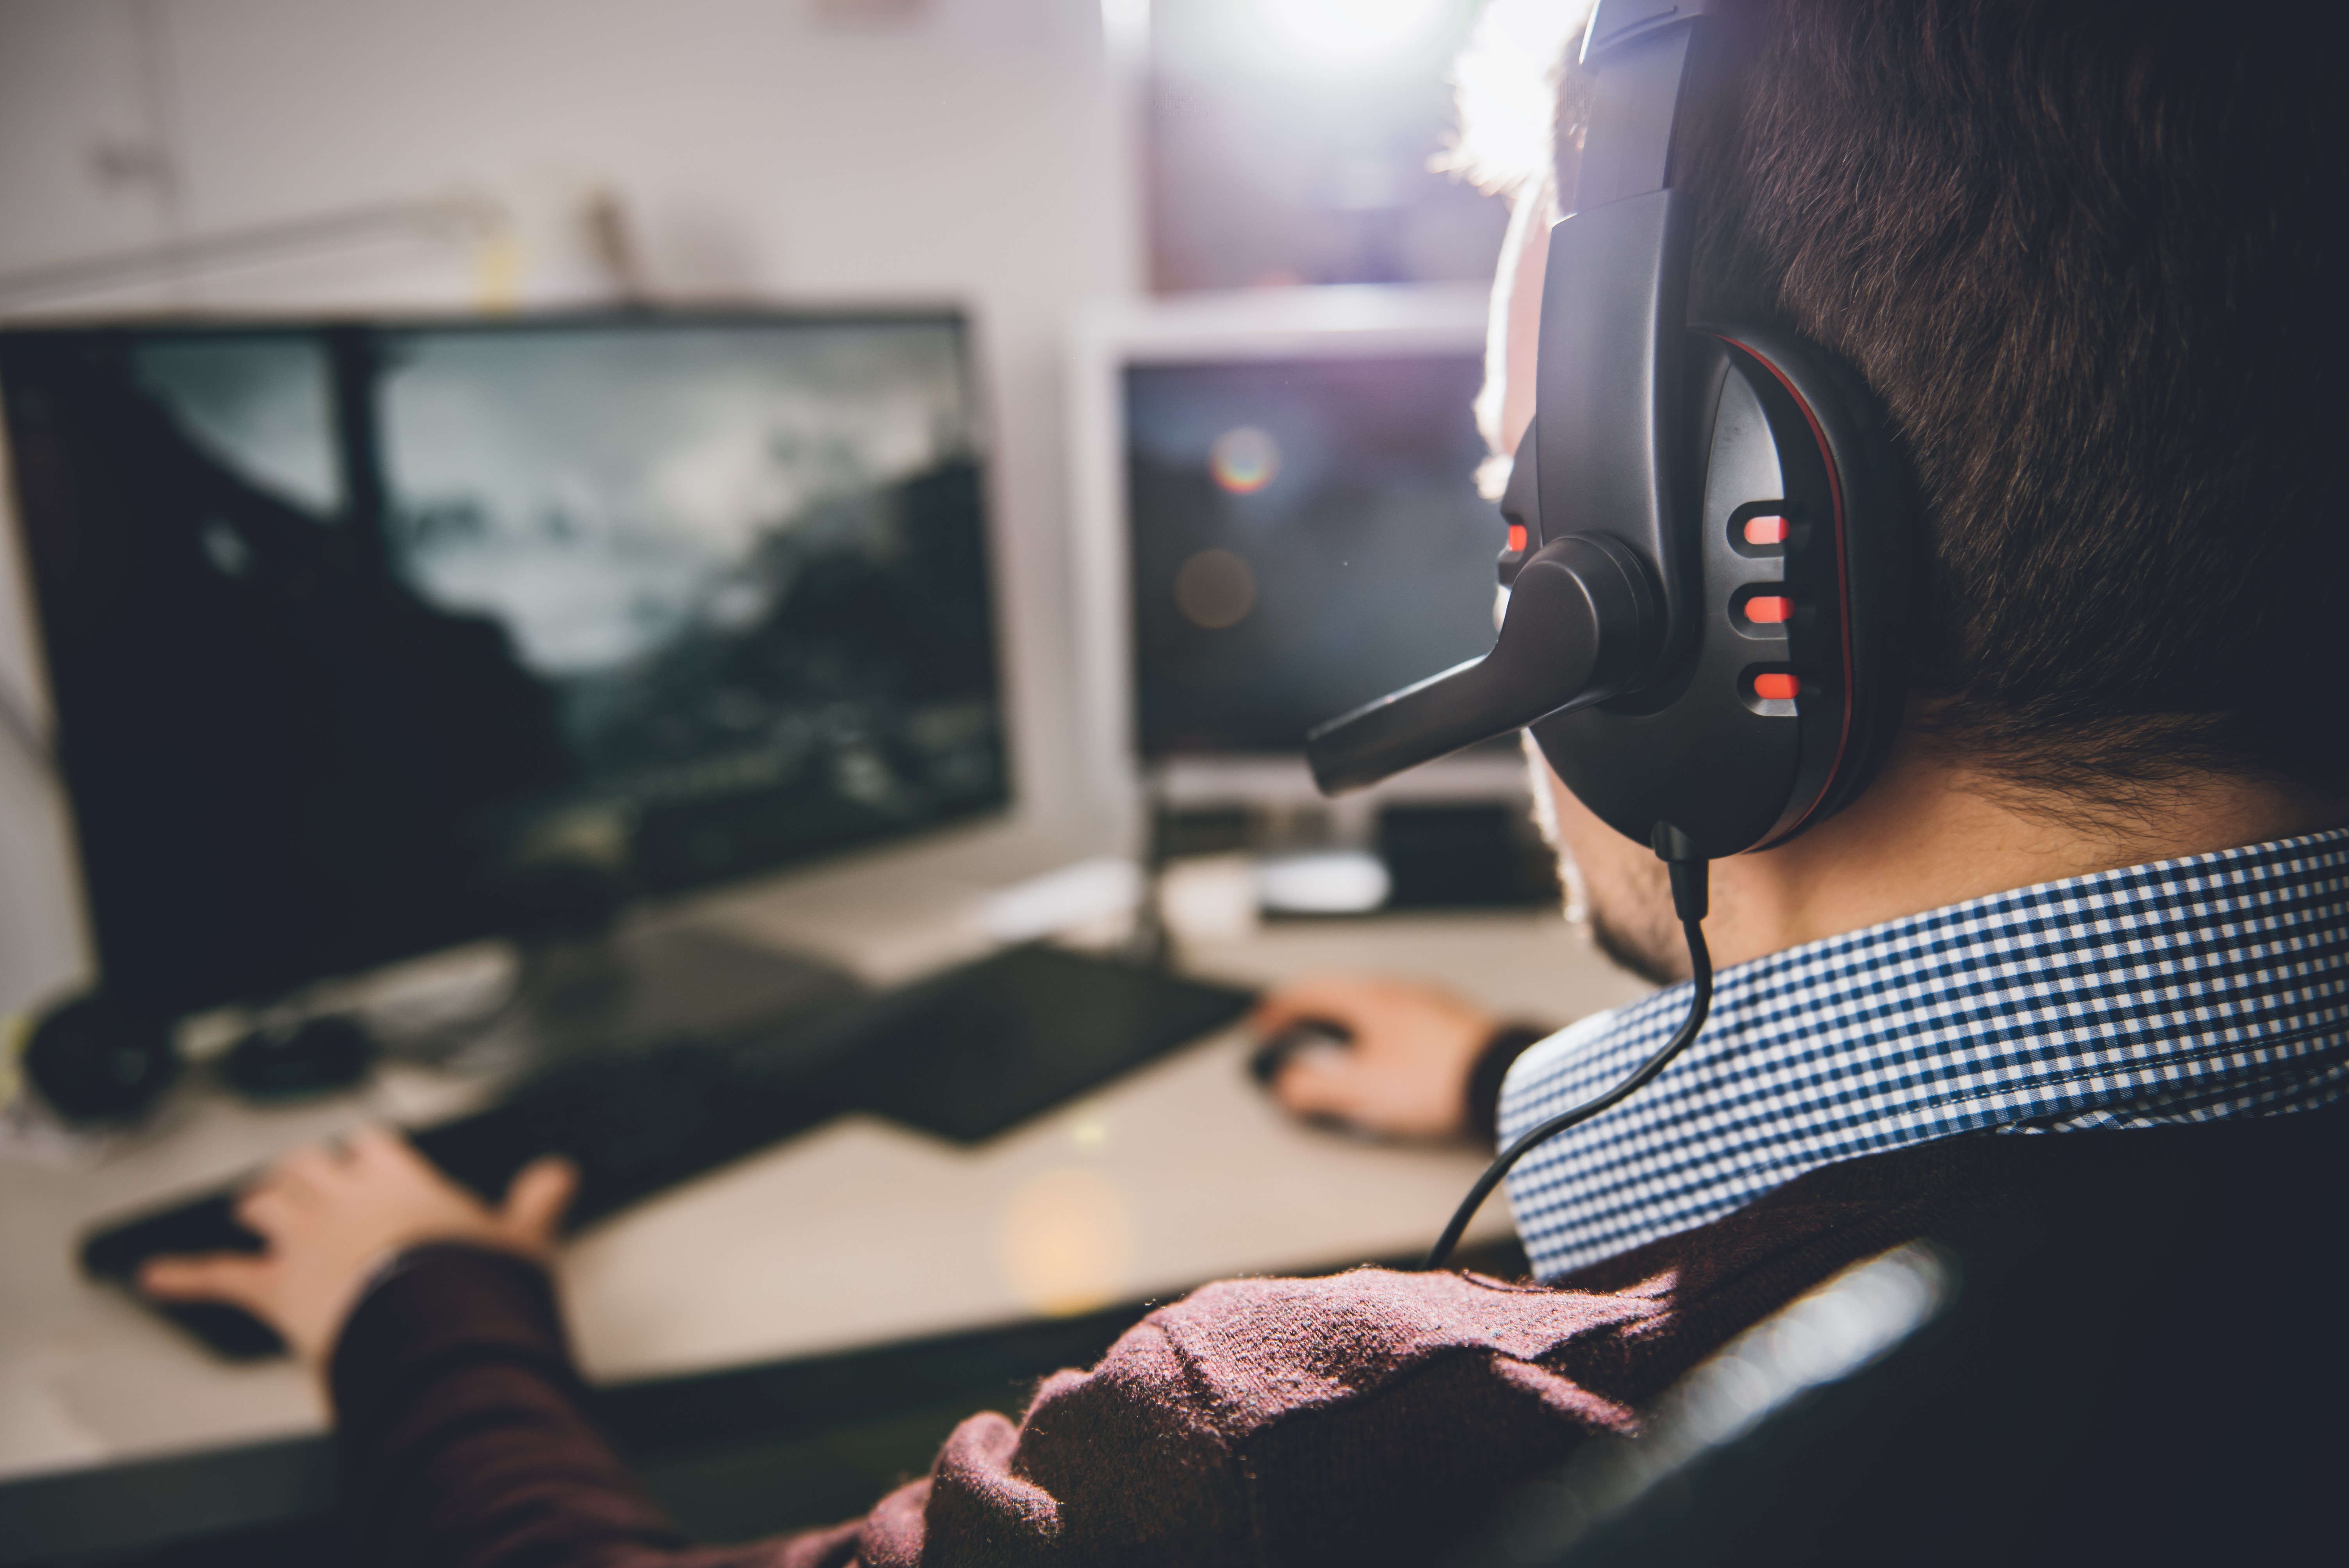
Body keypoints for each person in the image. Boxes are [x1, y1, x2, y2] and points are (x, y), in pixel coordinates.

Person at [141, 2, 2349, 1563]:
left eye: (1519, 506)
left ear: (1667, 595)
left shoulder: (1304, 1458)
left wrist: (420, 1308)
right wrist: (1498, 1061)